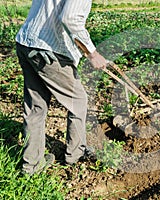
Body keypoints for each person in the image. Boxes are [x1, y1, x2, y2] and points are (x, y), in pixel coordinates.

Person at [15, 0, 106, 175]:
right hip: (48, 50)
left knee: (36, 107)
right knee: (78, 101)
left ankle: (32, 166)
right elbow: (70, 18)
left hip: (27, 41)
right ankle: (76, 155)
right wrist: (92, 53)